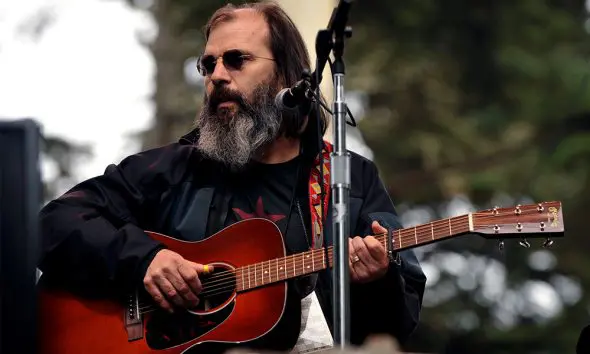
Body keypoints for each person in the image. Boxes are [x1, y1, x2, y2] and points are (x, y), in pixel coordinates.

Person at [37, 1, 426, 353]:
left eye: (236, 60)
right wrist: (144, 259)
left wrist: (377, 280)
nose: (217, 76)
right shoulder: (172, 170)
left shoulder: (349, 178)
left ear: (288, 76)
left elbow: (398, 324)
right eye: (208, 65)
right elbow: (54, 223)